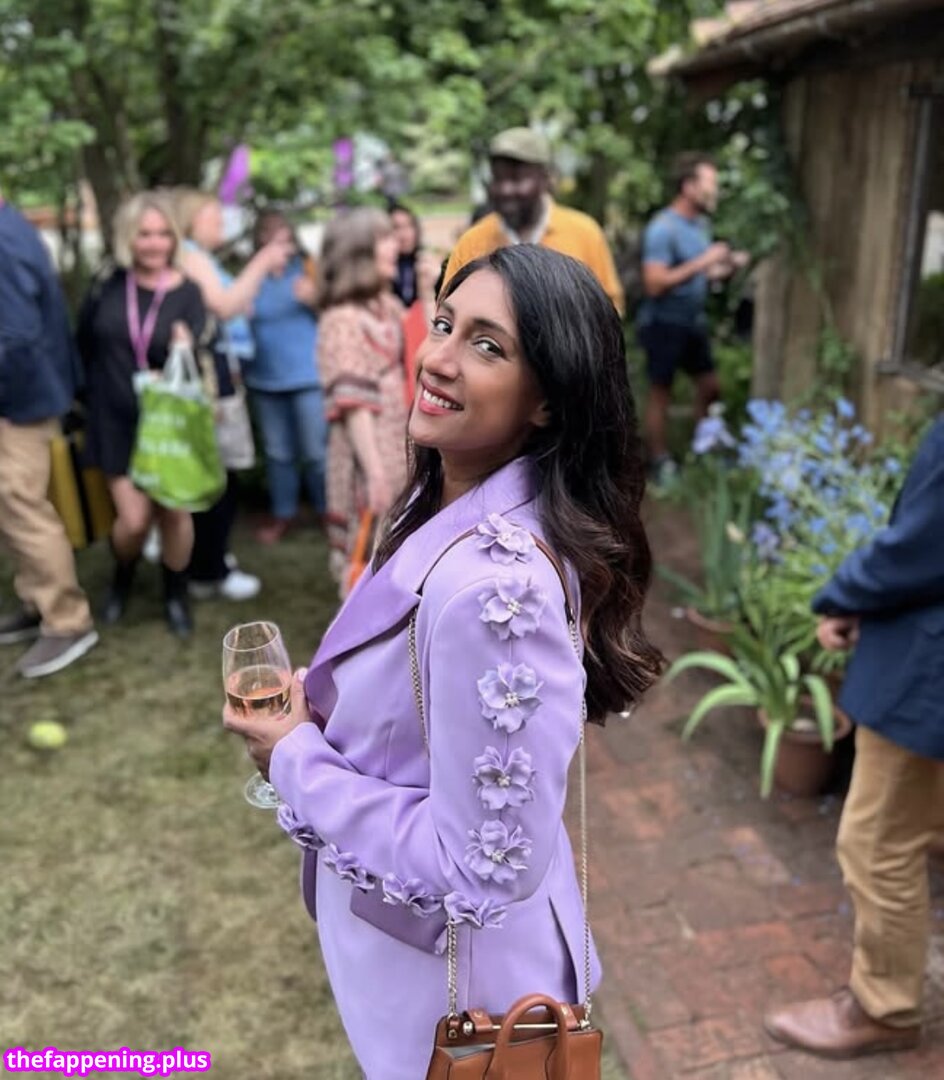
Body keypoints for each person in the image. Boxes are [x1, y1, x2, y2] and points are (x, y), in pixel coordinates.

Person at [222, 245, 663, 1078]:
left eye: (488, 346)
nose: (439, 357)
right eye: (445, 323)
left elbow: (480, 866)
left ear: (547, 400)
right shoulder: (451, 499)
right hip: (411, 961)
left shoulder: (496, 590)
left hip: (463, 1006)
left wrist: (293, 758)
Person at [763, 415, 944, 1060]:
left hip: (928, 672)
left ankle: (884, 1008)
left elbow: (923, 543)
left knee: (877, 843)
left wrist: (846, 596)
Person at [78, 191, 206, 637]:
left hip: (167, 425)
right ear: (128, 238)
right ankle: (123, 575)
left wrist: (186, 348)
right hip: (115, 419)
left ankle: (175, 594)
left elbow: (198, 366)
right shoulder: (107, 285)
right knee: (133, 521)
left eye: (162, 234)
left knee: (174, 514)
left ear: (174, 238)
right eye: (144, 234)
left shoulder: (188, 294)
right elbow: (83, 345)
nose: (154, 243)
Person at [0, 193, 99, 676]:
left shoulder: (4, 237)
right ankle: (37, 602)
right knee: (13, 506)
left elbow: (14, 337)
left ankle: (67, 620)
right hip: (24, 394)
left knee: (21, 503)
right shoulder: (12, 226)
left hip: (17, 401)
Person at [175, 189, 291, 599]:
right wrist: (262, 261)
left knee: (219, 472)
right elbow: (224, 306)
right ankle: (209, 570)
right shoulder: (190, 255)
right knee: (219, 473)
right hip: (211, 380)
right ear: (191, 219)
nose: (222, 223)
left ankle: (209, 558)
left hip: (220, 374)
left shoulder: (199, 258)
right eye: (214, 216)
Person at [638, 151, 748, 483]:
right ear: (689, 186)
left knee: (710, 386)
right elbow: (655, 283)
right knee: (661, 392)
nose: (714, 190)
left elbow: (701, 273)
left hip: (692, 322)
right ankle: (659, 462)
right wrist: (704, 261)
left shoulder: (700, 225)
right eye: (709, 183)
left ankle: (705, 450)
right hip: (663, 323)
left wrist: (727, 266)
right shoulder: (663, 229)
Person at [315, 207, 409, 594]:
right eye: (384, 239)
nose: (395, 245)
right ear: (359, 253)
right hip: (368, 449)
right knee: (369, 536)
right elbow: (353, 406)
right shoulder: (342, 319)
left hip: (399, 439)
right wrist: (374, 473)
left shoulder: (387, 305)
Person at [443, 127, 625, 314]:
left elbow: (610, 308)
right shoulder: (473, 242)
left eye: (517, 179)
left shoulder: (584, 233)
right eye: (498, 178)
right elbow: (448, 313)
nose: (505, 190)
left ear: (545, 178)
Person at [244, 210, 327, 544]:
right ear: (259, 240)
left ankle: (327, 512)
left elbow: (332, 314)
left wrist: (315, 299)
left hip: (307, 377)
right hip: (264, 378)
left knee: (316, 452)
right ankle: (283, 514)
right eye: (269, 234)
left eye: (283, 236)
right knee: (278, 454)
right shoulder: (251, 278)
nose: (278, 243)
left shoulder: (306, 270)